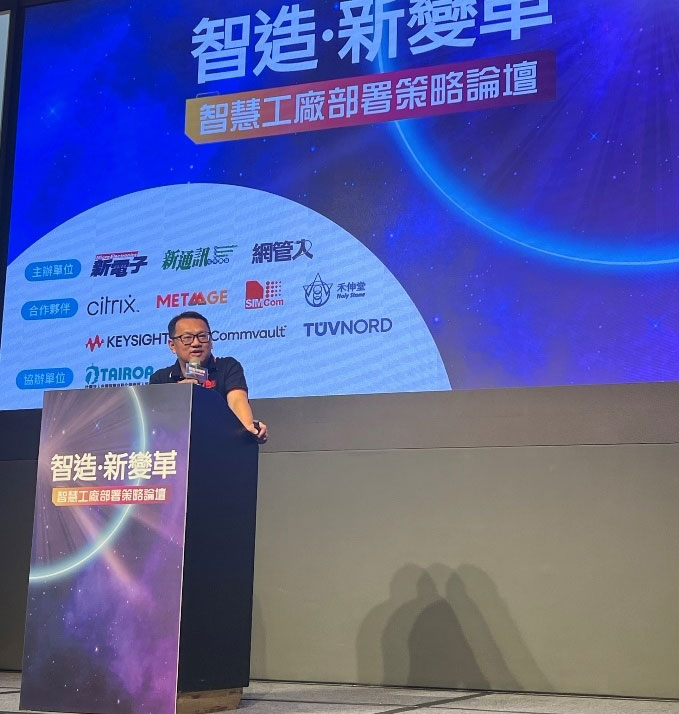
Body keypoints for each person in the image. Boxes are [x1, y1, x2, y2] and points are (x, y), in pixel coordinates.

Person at [149, 310, 268, 443]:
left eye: (202, 336)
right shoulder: (160, 378)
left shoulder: (227, 367)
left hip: (219, 444)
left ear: (211, 342)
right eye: (187, 338)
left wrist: (247, 427)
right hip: (176, 447)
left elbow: (237, 400)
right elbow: (154, 423)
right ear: (172, 345)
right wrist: (178, 395)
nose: (196, 343)